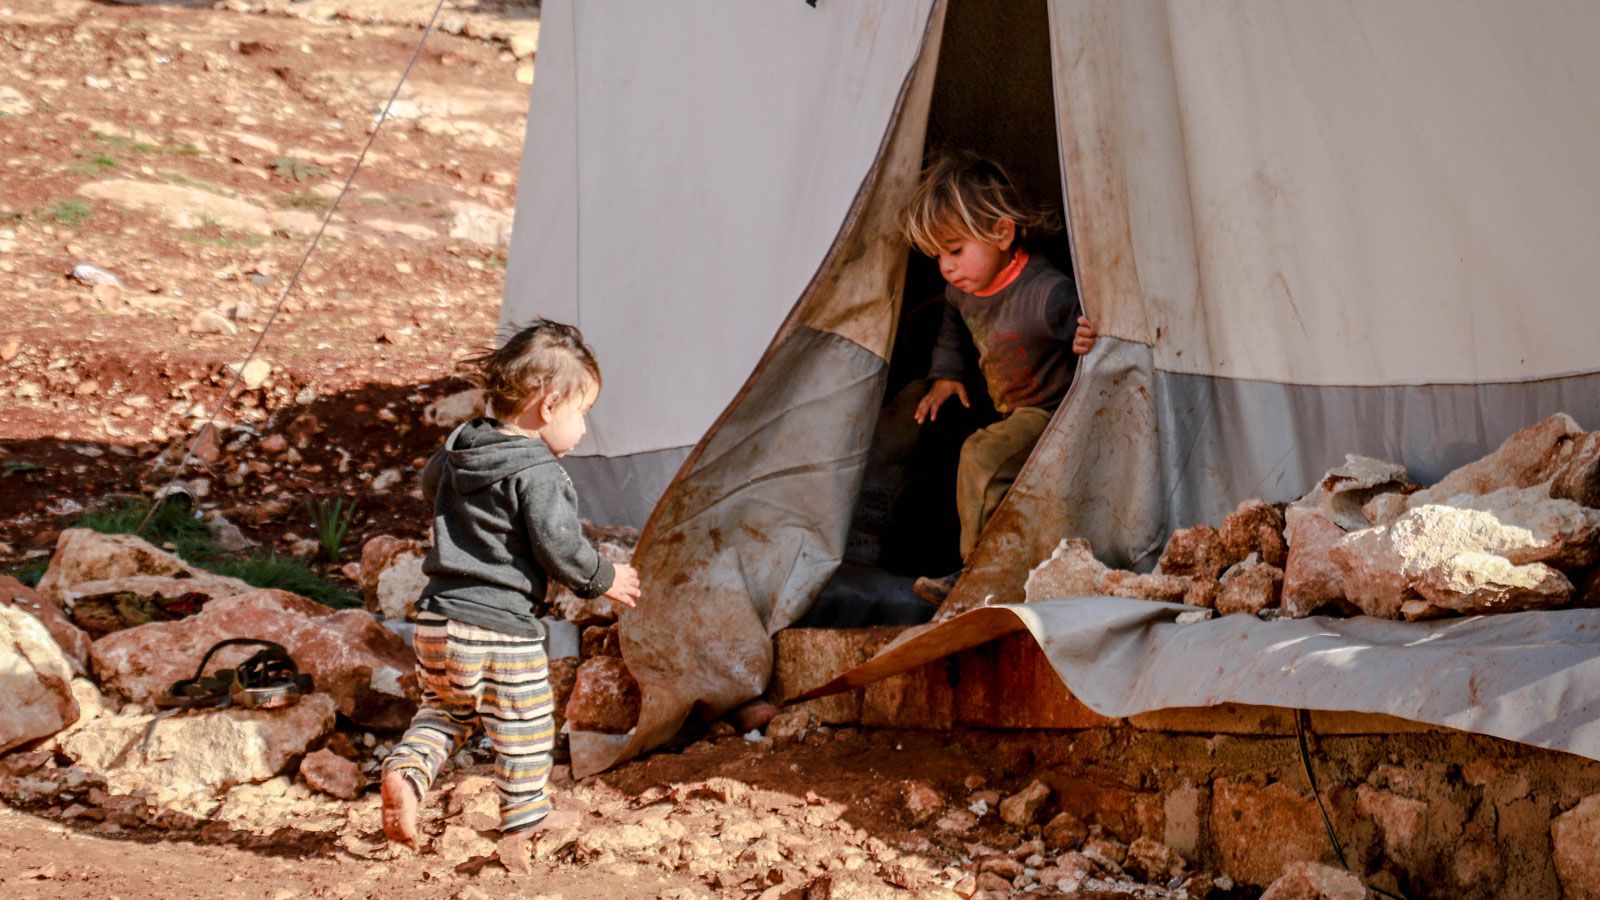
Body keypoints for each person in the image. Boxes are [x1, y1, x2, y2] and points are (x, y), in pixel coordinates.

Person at [381, 319, 642, 873]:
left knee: (445, 711)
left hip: (437, 622)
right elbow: (559, 545)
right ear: (549, 406)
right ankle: (525, 822)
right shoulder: (540, 472)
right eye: (583, 413)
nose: (584, 428)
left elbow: (430, 487)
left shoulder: (459, 448)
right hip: (500, 629)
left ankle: (406, 772)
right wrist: (604, 578)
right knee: (524, 726)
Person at [902, 152, 1097, 604]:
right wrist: (946, 374)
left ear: (1002, 233)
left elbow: (1094, 327)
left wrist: (1087, 335)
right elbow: (952, 319)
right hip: (1011, 408)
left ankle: (977, 578)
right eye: (938, 256)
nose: (946, 267)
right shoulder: (962, 292)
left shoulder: (1046, 294)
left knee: (981, 456)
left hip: (1055, 413)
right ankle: (1009, 569)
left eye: (955, 250)